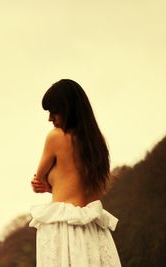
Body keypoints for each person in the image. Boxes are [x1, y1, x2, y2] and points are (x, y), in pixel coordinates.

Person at [29, 79, 121, 267]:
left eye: (54, 112)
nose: (50, 119)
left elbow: (38, 179)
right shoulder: (97, 142)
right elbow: (89, 188)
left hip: (63, 226)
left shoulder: (55, 137)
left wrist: (48, 186)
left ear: (68, 109)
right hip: (92, 228)